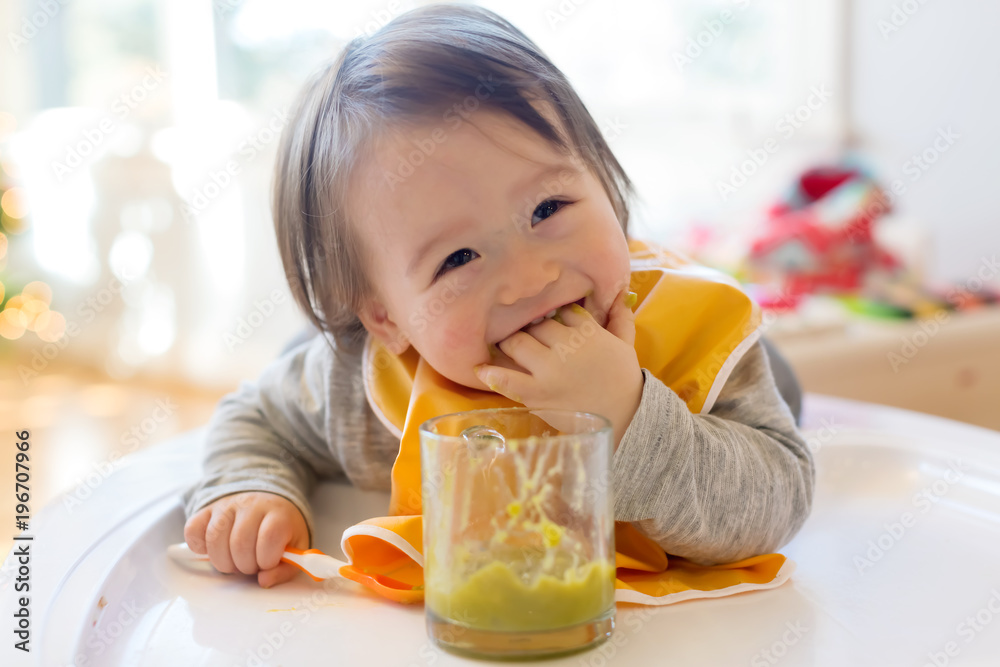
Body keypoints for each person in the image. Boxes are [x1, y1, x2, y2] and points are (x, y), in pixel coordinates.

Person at [182, 3, 814, 590]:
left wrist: (628, 417)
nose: (530, 278)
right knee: (303, 352)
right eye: (458, 258)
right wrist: (252, 490)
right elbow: (258, 417)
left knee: (783, 382)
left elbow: (777, 500)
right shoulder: (363, 391)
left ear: (606, 183)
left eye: (549, 207)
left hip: (711, 379)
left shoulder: (693, 350)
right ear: (385, 317)